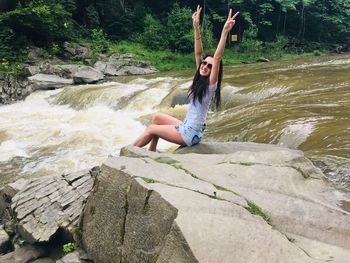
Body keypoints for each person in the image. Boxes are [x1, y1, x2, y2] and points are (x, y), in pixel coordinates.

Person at [133, 5, 239, 151]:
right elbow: (198, 53)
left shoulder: (210, 86)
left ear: (213, 70)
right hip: (187, 126)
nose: (205, 67)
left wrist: (225, 32)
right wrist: (196, 25)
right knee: (157, 118)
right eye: (204, 63)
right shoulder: (200, 78)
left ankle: (126, 153)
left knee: (151, 128)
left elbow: (218, 57)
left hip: (190, 134)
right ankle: (152, 153)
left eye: (209, 66)